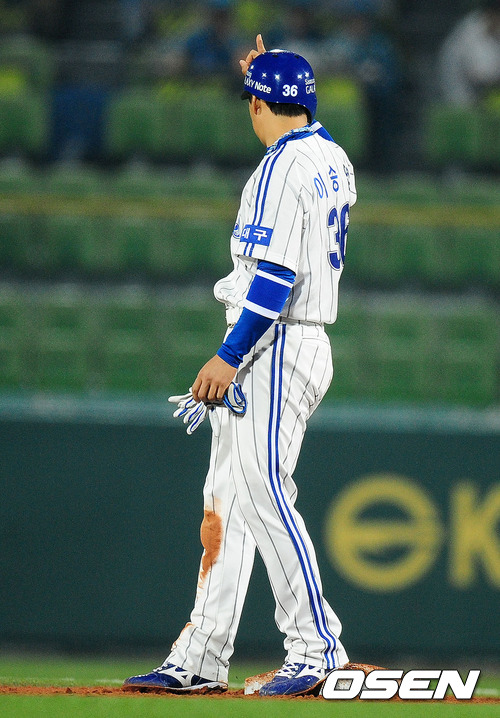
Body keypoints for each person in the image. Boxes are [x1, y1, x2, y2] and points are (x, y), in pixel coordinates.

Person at [123, 34, 357, 698]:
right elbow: (297, 117)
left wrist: (230, 355)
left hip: (273, 342)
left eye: (251, 100)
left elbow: (275, 277)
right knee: (229, 498)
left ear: (256, 106)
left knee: (262, 493)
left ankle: (316, 647)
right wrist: (272, 75)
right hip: (293, 340)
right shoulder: (331, 155)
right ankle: (202, 654)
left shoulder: (280, 168)